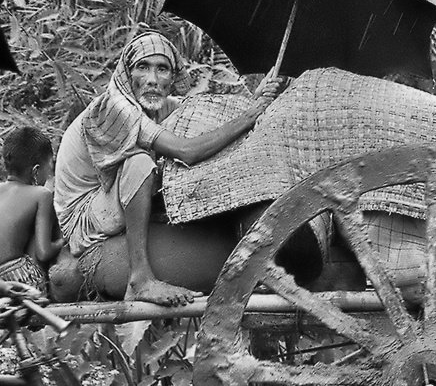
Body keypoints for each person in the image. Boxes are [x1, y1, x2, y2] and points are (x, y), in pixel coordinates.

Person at [54, 31, 280, 306]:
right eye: (142, 67)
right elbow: (187, 150)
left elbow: (209, 124)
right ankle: (140, 279)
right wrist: (251, 114)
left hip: (112, 200)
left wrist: (257, 100)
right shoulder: (116, 108)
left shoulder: (160, 106)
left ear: (172, 78)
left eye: (162, 69)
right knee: (140, 163)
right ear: (127, 73)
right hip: (85, 215)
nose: (152, 79)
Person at [0, 127, 64, 296]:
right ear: (35, 171)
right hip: (20, 281)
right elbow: (44, 252)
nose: (49, 175)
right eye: (49, 168)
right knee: (41, 227)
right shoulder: (41, 194)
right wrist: (62, 241)